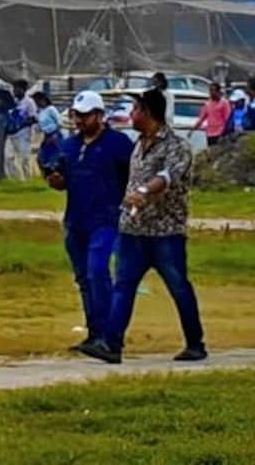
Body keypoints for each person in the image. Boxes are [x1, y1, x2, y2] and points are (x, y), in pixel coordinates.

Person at [82, 87, 205, 364]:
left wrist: (146, 191)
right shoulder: (137, 143)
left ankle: (196, 342)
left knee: (179, 287)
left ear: (148, 113)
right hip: (133, 231)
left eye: (135, 109)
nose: (131, 114)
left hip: (165, 232)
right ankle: (111, 345)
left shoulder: (177, 146)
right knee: (123, 286)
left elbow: (167, 176)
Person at [44, 90, 132, 353]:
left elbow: (132, 176)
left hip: (106, 220)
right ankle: (93, 332)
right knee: (84, 278)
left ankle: (109, 334)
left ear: (99, 115)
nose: (80, 121)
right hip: (76, 220)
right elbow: (61, 177)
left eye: (85, 116)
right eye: (76, 115)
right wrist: (55, 181)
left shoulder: (118, 144)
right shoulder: (70, 146)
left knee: (98, 271)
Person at [198, 81, 231, 149]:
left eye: (213, 90)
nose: (211, 92)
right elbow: (201, 118)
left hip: (220, 133)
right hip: (210, 133)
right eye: (210, 90)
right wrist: (192, 130)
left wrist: (226, 132)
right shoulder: (207, 104)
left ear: (218, 91)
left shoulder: (224, 103)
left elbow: (227, 118)